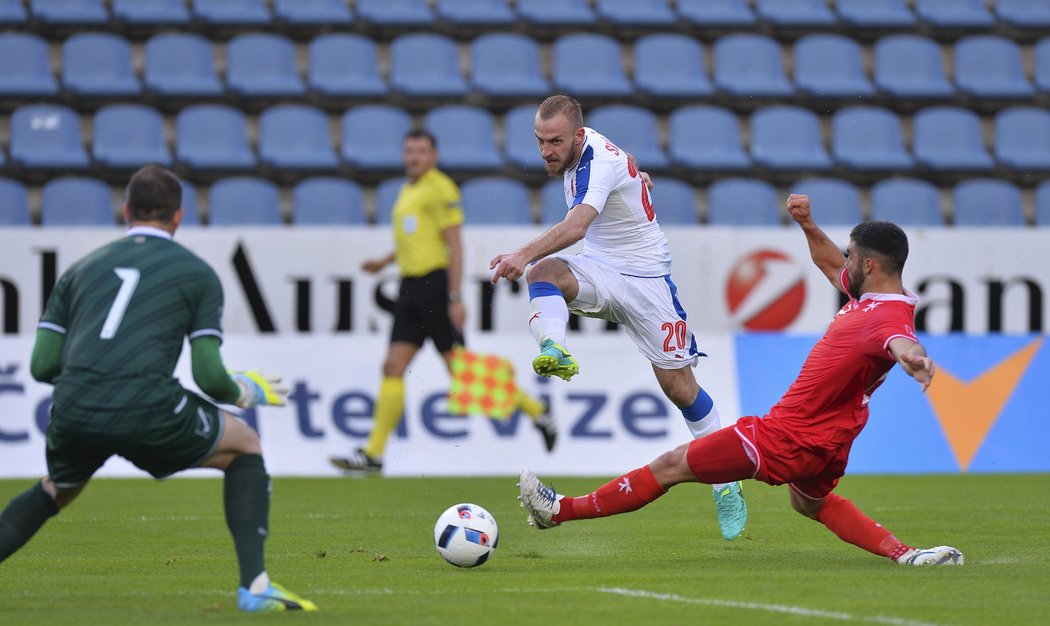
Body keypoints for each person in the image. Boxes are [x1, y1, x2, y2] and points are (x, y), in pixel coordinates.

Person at [516, 194, 964, 567]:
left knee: (671, 466)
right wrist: (807, 224)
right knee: (807, 503)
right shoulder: (875, 296)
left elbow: (902, 344)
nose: (843, 262)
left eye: (851, 255)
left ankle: (557, 512)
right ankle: (907, 555)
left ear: (870, 264)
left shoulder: (887, 319)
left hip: (786, 436)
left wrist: (916, 361)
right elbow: (831, 266)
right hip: (832, 438)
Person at [0, 165, 317, 611]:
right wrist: (244, 391)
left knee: (58, 488)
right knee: (244, 445)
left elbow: (41, 365)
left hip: (74, 409)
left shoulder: (80, 269)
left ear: (126, 211)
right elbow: (209, 377)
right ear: (179, 216)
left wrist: (94, 381)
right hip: (146, 407)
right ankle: (256, 587)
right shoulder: (195, 273)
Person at [489, 95, 748, 541]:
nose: (546, 151)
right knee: (544, 273)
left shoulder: (598, 159)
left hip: (647, 282)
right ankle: (554, 346)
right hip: (603, 269)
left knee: (680, 389)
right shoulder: (581, 157)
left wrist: (520, 251)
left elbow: (575, 227)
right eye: (539, 141)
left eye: (554, 141)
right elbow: (621, 182)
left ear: (576, 135)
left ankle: (727, 483)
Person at [329, 130, 557, 475]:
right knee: (392, 365)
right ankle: (374, 455)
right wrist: (385, 261)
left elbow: (454, 245)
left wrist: (454, 296)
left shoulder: (441, 188)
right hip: (408, 288)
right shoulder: (409, 190)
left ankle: (536, 410)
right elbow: (417, 238)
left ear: (433, 155)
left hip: (434, 287)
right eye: (409, 151)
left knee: (460, 372)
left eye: (420, 151)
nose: (413, 158)